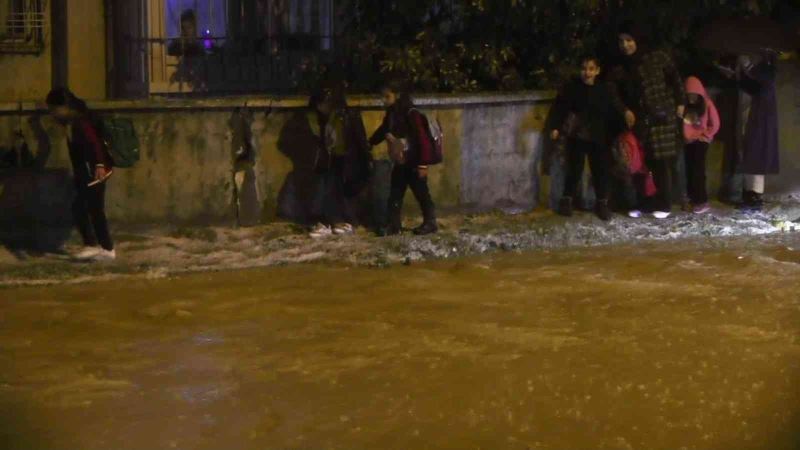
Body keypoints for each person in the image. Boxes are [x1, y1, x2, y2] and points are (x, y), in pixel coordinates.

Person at [608, 21, 685, 219]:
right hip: (639, 120)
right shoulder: (619, 67)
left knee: (661, 162)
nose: (625, 45)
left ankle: (664, 203)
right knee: (639, 162)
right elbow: (613, 92)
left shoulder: (657, 58)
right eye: (621, 41)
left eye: (629, 40)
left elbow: (675, 79)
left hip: (661, 116)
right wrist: (625, 110)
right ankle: (645, 204)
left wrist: (680, 103)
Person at [46, 88, 116, 261]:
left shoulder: (80, 122)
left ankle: (103, 247)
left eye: (54, 109)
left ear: (65, 106)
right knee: (88, 209)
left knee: (87, 209)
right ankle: (98, 247)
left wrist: (99, 165)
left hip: (94, 172)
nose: (52, 113)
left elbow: (95, 143)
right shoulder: (70, 122)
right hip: (86, 172)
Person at [549, 54, 621, 221]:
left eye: (590, 69)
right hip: (578, 134)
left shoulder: (604, 90)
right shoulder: (572, 88)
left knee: (600, 170)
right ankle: (567, 200)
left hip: (598, 136)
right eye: (584, 69)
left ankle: (602, 203)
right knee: (574, 168)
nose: (587, 73)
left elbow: (611, 112)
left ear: (597, 71)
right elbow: (561, 107)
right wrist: (556, 127)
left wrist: (615, 131)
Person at [369, 80, 439, 236]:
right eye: (383, 97)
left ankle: (430, 222)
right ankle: (394, 226)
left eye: (387, 96)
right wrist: (371, 142)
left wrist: (423, 165)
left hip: (414, 162)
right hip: (401, 161)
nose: (384, 100)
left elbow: (423, 141)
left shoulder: (411, 114)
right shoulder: (392, 114)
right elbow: (383, 130)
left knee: (421, 193)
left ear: (397, 95)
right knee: (395, 193)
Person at [307, 84, 370, 238]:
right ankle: (335, 221)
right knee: (331, 191)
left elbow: (358, 139)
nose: (320, 108)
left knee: (345, 191)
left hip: (347, 158)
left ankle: (347, 221)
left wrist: (366, 159)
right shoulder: (326, 119)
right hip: (334, 158)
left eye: (322, 104)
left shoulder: (346, 116)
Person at [735, 51, 780, 212]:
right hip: (757, 118)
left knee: (758, 157)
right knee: (752, 156)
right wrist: (739, 73)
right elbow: (752, 85)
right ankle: (750, 196)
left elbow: (760, 78)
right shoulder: (764, 71)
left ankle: (755, 198)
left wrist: (746, 64)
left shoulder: (769, 70)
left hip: (764, 120)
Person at [682, 76, 720, 214]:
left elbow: (715, 123)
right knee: (689, 170)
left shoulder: (707, 104)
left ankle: (701, 201)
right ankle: (693, 199)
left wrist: (706, 135)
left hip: (700, 141)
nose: (691, 97)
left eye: (694, 94)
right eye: (689, 94)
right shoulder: (685, 106)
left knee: (698, 171)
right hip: (688, 142)